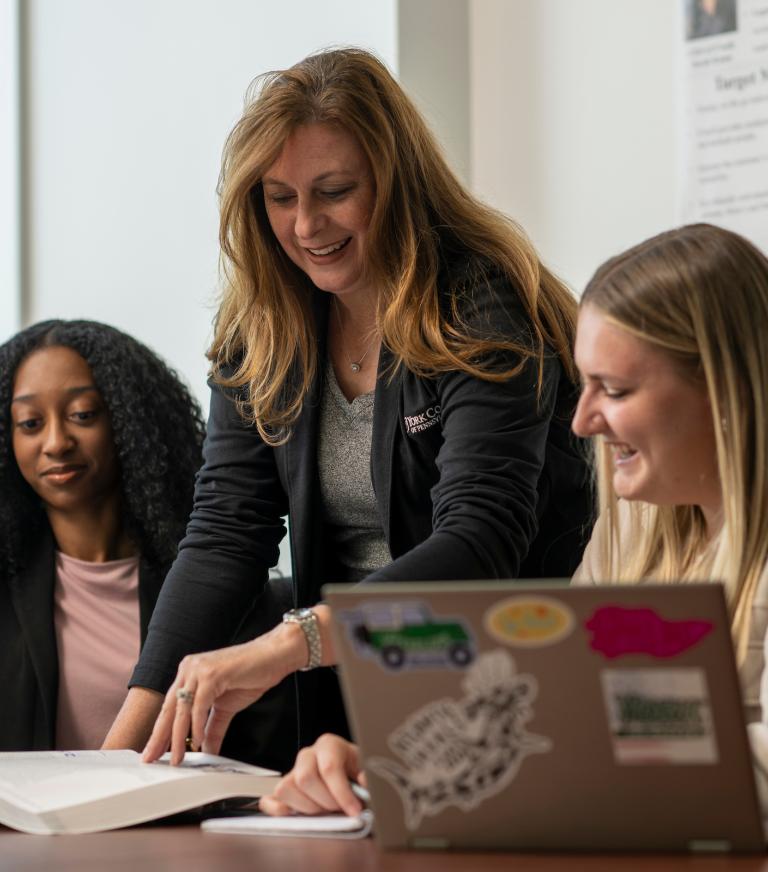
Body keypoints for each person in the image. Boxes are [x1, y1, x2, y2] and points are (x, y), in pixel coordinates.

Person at [104, 47, 592, 769]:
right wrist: (127, 740)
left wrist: (289, 642)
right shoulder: (261, 329)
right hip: (333, 681)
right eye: (279, 197)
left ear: (397, 184)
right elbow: (224, 534)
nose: (306, 225)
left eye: (334, 191)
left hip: (486, 680)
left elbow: (481, 539)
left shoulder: (483, 305)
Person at [255, 222, 768, 815]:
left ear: (726, 391)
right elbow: (569, 705)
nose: (582, 423)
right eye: (586, 386)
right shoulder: (636, 519)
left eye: (617, 391)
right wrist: (387, 767)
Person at [0, 319, 205, 750]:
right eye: (30, 423)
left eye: (82, 415)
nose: (56, 442)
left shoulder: (205, 582)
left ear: (131, 422)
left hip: (173, 817)